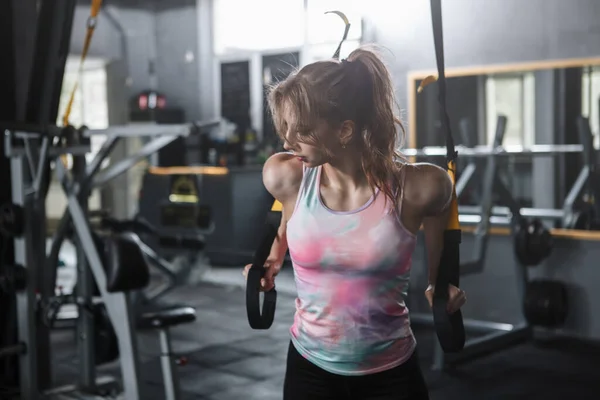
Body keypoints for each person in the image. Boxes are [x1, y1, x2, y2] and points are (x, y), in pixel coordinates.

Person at [243, 45, 467, 400]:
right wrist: (274, 255)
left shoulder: (417, 188)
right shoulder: (286, 176)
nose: (287, 140)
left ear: (344, 130)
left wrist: (440, 282)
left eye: (300, 130)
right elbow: (289, 217)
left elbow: (442, 208)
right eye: (285, 127)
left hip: (390, 372)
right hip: (308, 366)